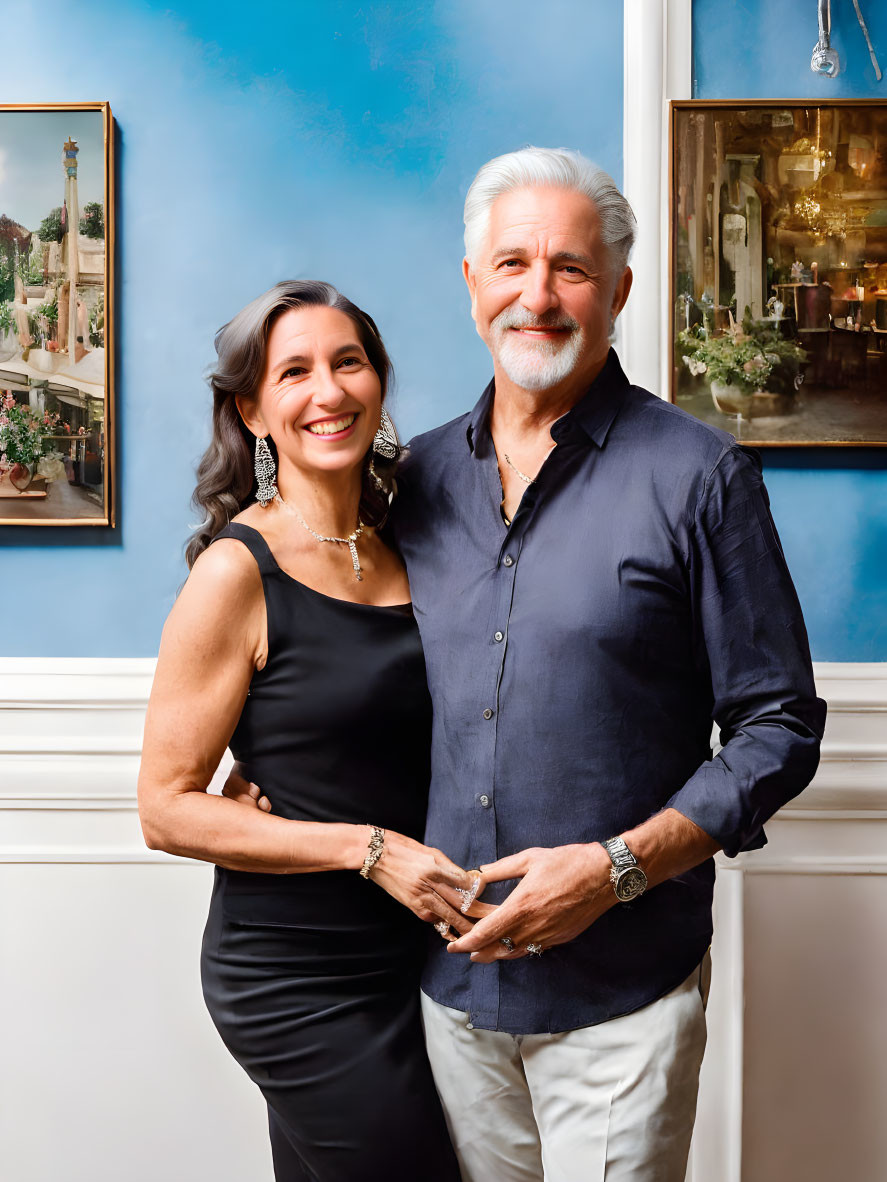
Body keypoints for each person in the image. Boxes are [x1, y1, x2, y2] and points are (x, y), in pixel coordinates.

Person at [226, 149, 826, 1182]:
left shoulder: (700, 477)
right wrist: (279, 749)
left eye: (570, 269)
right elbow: (328, 628)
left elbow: (778, 729)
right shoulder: (404, 485)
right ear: (471, 286)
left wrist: (614, 868)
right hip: (440, 996)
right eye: (509, 264)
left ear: (619, 291)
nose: (536, 296)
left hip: (621, 999)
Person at [137, 280, 474, 1182]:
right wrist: (371, 849)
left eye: (348, 362)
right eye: (294, 372)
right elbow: (165, 811)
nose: (327, 392)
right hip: (293, 976)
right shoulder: (234, 572)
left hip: (421, 958)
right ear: (253, 411)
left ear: (378, 382)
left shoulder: (417, 540)